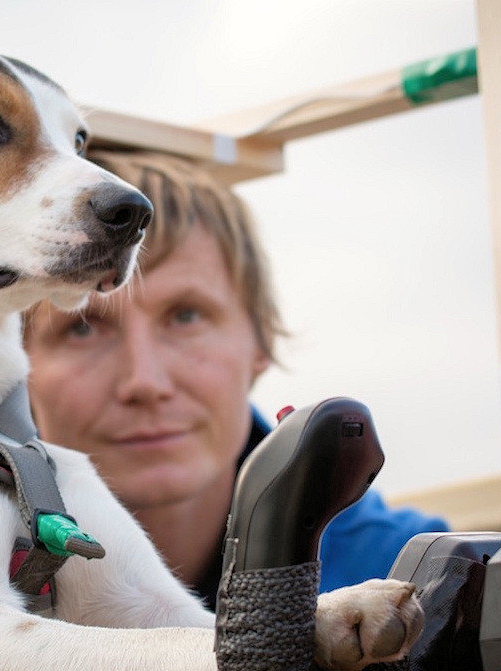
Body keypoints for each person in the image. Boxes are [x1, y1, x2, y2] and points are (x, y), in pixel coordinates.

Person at [23, 149, 447, 608]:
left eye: (186, 316)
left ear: (260, 340)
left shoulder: (415, 577)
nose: (144, 381)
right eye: (82, 327)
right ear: (12, 365)